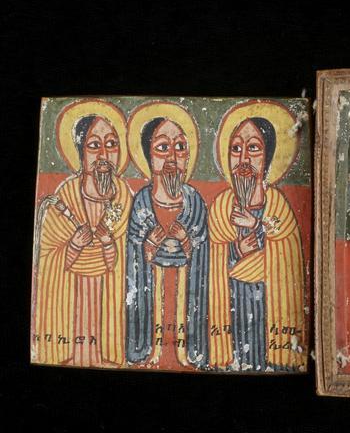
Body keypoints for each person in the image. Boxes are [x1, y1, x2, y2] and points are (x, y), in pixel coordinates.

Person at [32, 101, 131, 367]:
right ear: (80, 152)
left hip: (108, 292)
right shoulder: (65, 195)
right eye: (94, 145)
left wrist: (108, 242)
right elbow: (47, 258)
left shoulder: (124, 197)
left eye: (111, 144)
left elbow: (127, 262)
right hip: (70, 292)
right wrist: (74, 245)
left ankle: (107, 354)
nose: (103, 155)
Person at [209, 101, 306, 372]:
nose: (243, 160)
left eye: (253, 148)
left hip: (270, 305)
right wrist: (236, 250)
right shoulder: (220, 207)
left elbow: (288, 254)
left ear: (268, 157)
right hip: (232, 306)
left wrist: (257, 225)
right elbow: (210, 264)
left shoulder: (278, 205)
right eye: (235, 149)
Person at [125, 103, 209, 369]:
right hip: (152, 286)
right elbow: (133, 254)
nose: (172, 158)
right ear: (149, 156)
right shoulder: (141, 201)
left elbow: (203, 253)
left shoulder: (195, 201)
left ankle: (188, 354)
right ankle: (147, 352)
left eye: (180, 147)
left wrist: (186, 239)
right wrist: (150, 243)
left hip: (186, 286)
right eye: (163, 148)